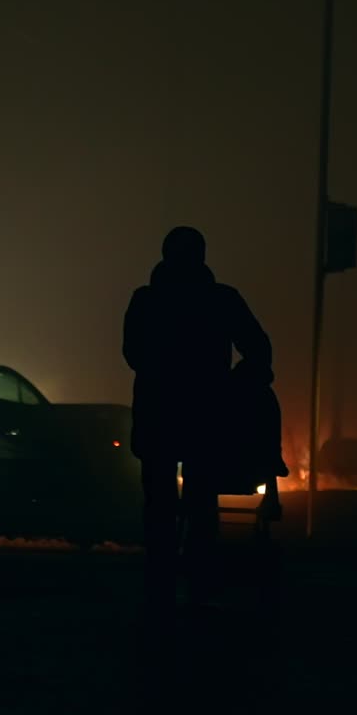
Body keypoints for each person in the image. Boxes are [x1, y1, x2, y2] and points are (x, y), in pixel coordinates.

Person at [123, 225, 272, 609]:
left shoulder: (146, 301)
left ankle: (161, 574)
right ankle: (199, 573)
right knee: (201, 498)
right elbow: (258, 349)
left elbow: (132, 354)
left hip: (159, 412)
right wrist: (233, 383)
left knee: (158, 499)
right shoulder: (222, 300)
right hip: (206, 415)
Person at [218, 357, 289, 522]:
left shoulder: (221, 398)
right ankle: (271, 502)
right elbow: (270, 442)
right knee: (267, 450)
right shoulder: (266, 399)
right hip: (253, 471)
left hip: (215, 469)